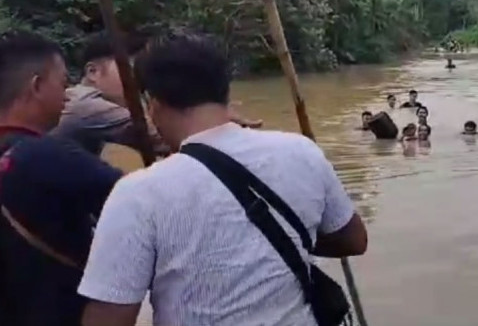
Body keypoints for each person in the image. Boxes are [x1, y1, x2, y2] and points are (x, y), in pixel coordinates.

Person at [79, 33, 368, 326]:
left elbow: (108, 319)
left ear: (152, 104)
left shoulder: (137, 193)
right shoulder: (301, 151)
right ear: (225, 91)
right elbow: (354, 240)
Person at [0, 32, 122, 326]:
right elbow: (145, 201)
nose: (67, 94)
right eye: (63, 83)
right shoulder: (50, 156)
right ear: (37, 86)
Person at [53, 31, 262, 156]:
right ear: (93, 72)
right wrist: (217, 120)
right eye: (130, 68)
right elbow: (169, 137)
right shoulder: (86, 105)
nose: (140, 77)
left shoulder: (79, 101)